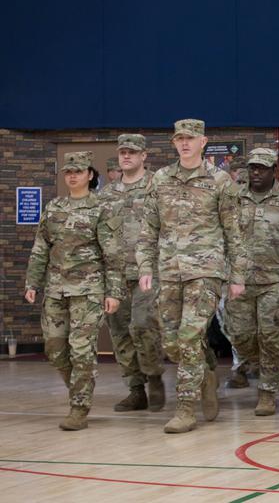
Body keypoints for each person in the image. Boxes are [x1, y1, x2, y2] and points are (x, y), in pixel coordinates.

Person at [136, 118, 249, 434]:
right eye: (179, 138)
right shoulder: (160, 179)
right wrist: (145, 267)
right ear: (174, 143)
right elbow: (148, 229)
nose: (184, 143)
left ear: (203, 142)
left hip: (205, 271)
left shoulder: (220, 181)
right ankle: (207, 373)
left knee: (187, 337)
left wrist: (237, 275)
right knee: (172, 342)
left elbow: (233, 233)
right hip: (169, 271)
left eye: (190, 138)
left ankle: (185, 409)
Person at [25, 151, 125, 430]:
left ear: (90, 175)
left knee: (81, 351)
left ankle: (79, 407)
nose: (72, 176)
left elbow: (113, 255)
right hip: (55, 290)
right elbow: (41, 248)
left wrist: (114, 292)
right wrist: (32, 283)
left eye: (78, 171)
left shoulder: (101, 209)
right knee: (55, 348)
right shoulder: (54, 207)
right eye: (68, 172)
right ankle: (78, 390)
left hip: (89, 291)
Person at [224, 148, 279, 416]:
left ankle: (267, 391)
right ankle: (254, 366)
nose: (256, 172)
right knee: (240, 335)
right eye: (252, 168)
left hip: (276, 281)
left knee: (271, 338)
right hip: (239, 282)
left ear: (275, 170)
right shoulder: (233, 199)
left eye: (262, 168)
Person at [103, 134, 166, 413]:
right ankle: (135, 389)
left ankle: (153, 376)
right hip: (116, 274)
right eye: (122, 152)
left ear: (144, 156)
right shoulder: (106, 194)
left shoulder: (159, 187)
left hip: (148, 272)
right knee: (120, 333)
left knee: (143, 325)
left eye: (132, 152)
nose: (126, 156)